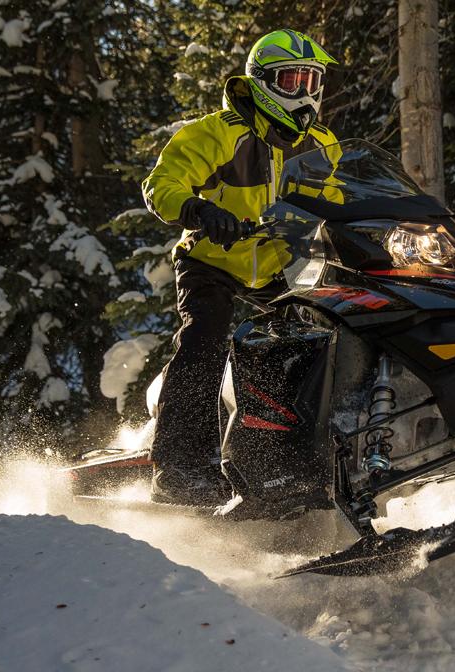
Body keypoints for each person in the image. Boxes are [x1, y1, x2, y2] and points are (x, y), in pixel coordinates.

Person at [141, 29, 339, 505]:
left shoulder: (323, 144)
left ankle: (294, 460)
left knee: (321, 343)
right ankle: (180, 469)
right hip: (213, 259)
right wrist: (200, 211)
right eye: (292, 80)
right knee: (205, 338)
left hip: (281, 265)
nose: (305, 94)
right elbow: (161, 183)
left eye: (312, 81)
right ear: (262, 83)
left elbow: (339, 200)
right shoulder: (217, 134)